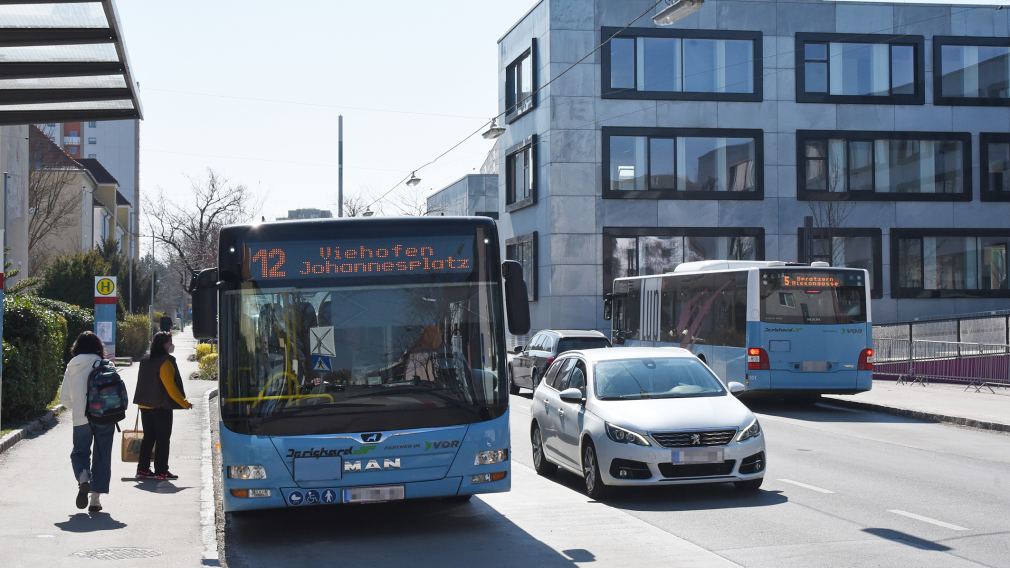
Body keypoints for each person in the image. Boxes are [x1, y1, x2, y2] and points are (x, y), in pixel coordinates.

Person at [59, 331, 114, 513]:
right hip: (104, 416)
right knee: (102, 455)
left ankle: (83, 478)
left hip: (81, 418)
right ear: (98, 346)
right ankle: (95, 500)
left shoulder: (72, 365)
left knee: (79, 452)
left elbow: (65, 398)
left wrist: (77, 406)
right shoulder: (106, 364)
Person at [133, 332, 193, 481]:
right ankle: (161, 471)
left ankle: (143, 469)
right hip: (160, 407)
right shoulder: (165, 362)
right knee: (162, 439)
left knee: (148, 438)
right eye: (169, 342)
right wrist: (184, 403)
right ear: (164, 344)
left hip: (144, 406)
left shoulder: (145, 359)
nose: (171, 345)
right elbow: (170, 387)